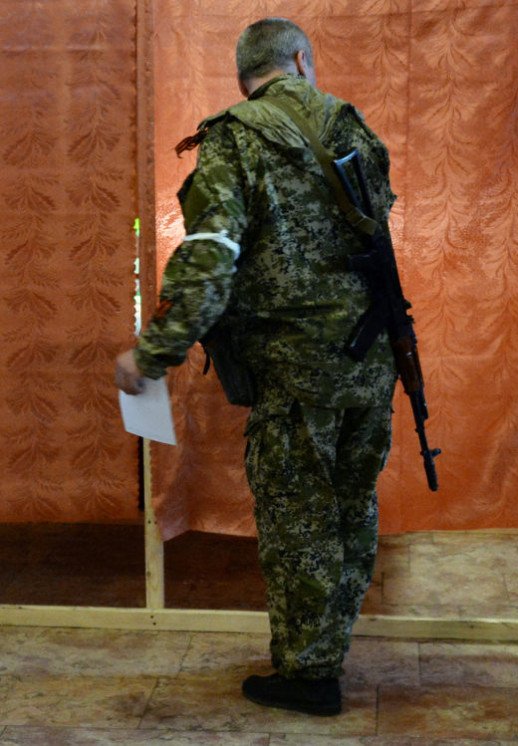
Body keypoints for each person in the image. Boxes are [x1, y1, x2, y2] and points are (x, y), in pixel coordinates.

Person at [114, 18, 398, 717]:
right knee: (351, 509)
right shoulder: (353, 128)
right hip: (372, 360)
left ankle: (309, 674)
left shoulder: (235, 138)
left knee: (299, 519)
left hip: (297, 371)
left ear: (245, 75)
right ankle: (327, 651)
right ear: (301, 60)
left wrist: (154, 352)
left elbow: (210, 256)